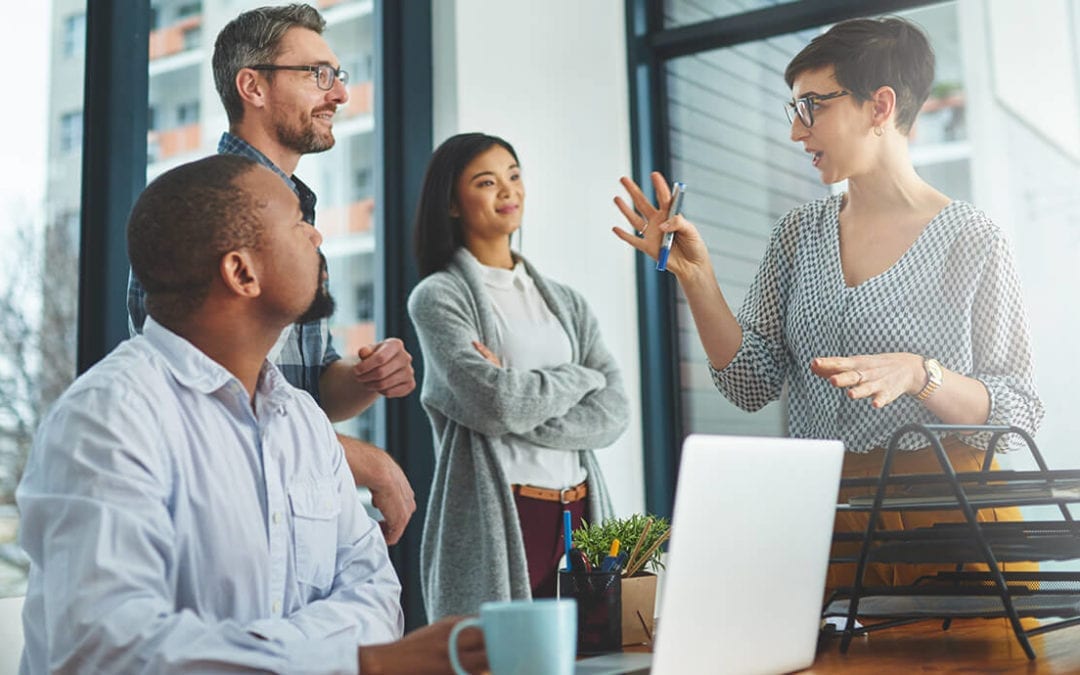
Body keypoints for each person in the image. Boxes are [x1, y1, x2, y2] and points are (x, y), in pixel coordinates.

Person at [613, 17, 1043, 592]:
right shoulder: (797, 234)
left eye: (811, 106)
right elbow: (749, 383)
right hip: (824, 520)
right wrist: (696, 276)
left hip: (950, 521)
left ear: (879, 107)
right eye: (793, 109)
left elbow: (1019, 412)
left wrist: (921, 374)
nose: (796, 132)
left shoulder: (973, 238)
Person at [18, 155, 486, 675]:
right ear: (241, 272)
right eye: (297, 223)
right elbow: (109, 651)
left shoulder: (302, 420)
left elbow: (375, 593)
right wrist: (359, 662)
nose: (316, 238)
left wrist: (297, 655)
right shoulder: (108, 418)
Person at [126, 3, 417, 545]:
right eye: (318, 75)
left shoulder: (300, 218)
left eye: (339, 76)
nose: (339, 94)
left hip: (295, 507)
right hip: (227, 518)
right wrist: (362, 460)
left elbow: (312, 387)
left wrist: (364, 378)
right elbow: (206, 405)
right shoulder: (197, 210)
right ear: (252, 86)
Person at [407, 133, 630, 619]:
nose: (508, 191)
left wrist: (519, 395)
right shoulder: (439, 297)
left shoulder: (566, 301)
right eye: (487, 182)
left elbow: (614, 414)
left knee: (592, 661)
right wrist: (580, 378)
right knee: (503, 663)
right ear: (451, 203)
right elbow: (497, 405)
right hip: (504, 512)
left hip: (580, 510)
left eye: (513, 175)